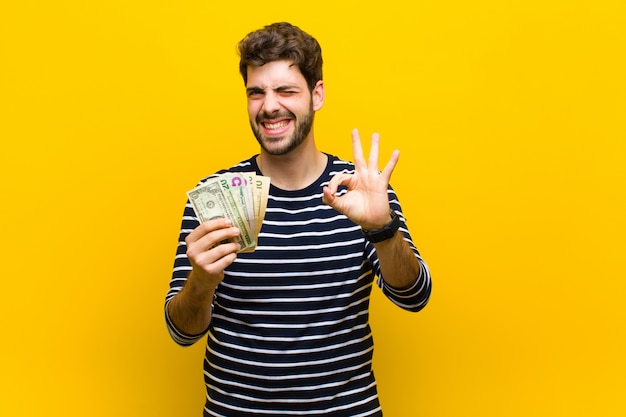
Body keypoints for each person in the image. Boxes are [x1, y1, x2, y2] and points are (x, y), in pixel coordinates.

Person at [165, 21, 432, 417]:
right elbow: (181, 331)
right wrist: (201, 281)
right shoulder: (216, 197)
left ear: (316, 94)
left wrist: (381, 228)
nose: (269, 106)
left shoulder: (360, 190)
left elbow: (415, 297)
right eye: (256, 93)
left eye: (285, 90)